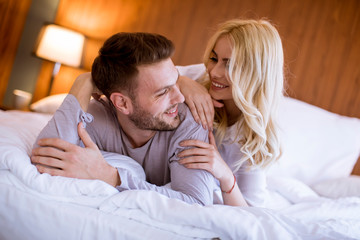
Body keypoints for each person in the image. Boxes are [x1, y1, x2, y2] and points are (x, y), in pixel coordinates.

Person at [31, 32, 216, 206]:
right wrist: (84, 81)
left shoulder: (190, 119)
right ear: (122, 103)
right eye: (163, 92)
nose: (180, 98)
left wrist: (112, 177)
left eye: (176, 82)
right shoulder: (98, 115)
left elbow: (196, 204)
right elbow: (45, 158)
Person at [177, 19, 284, 207]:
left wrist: (225, 175)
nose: (214, 72)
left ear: (255, 74)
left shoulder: (252, 138)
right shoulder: (200, 78)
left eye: (230, 65)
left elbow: (251, 212)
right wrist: (180, 81)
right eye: (213, 58)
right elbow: (148, 73)